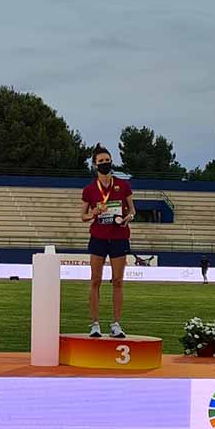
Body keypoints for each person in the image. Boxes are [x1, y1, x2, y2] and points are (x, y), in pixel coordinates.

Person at [80, 145, 135, 338]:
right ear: (95, 165)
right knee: (95, 280)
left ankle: (116, 324)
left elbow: (132, 210)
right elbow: (83, 216)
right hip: (98, 237)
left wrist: (129, 217)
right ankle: (95, 324)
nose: (105, 164)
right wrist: (93, 213)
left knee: (118, 281)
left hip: (119, 237)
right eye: (101, 161)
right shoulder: (89, 189)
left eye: (107, 160)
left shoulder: (123, 185)